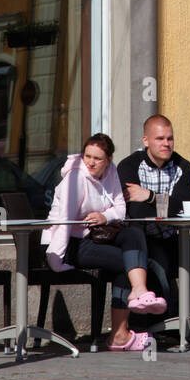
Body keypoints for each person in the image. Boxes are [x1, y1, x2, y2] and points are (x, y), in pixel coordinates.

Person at [42, 132, 167, 352]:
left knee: (133, 234)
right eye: (87, 156)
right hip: (67, 243)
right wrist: (56, 259)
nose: (90, 162)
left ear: (107, 160)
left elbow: (120, 208)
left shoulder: (111, 172)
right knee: (125, 263)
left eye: (97, 158)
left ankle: (139, 291)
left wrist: (104, 217)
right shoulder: (75, 179)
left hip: (92, 235)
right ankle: (119, 335)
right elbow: (64, 222)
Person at [116, 115, 190, 323]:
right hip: (142, 241)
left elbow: (182, 207)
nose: (166, 143)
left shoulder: (182, 166)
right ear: (146, 141)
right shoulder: (129, 166)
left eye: (170, 138)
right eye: (160, 139)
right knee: (161, 267)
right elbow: (138, 213)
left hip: (173, 237)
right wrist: (166, 203)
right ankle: (161, 324)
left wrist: (149, 196)